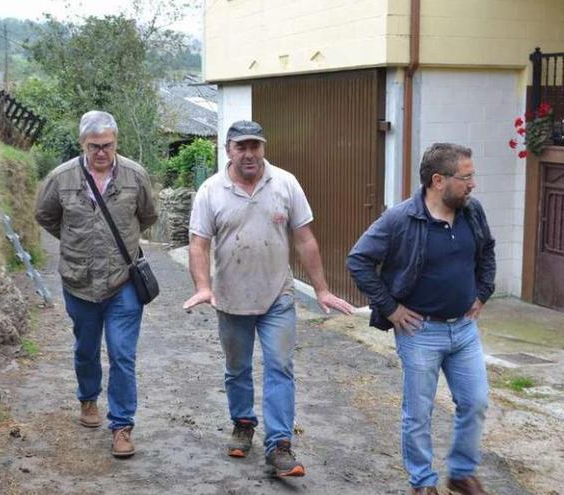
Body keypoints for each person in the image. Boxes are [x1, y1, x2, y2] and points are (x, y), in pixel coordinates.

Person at [184, 120, 354, 477]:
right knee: (238, 369)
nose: (249, 154)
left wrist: (321, 288)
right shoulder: (211, 191)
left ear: (263, 148)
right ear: (228, 150)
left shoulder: (285, 183)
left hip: (278, 294)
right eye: (241, 147)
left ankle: (279, 444)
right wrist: (203, 285)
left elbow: (305, 239)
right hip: (231, 298)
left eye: (255, 146)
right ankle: (243, 423)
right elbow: (199, 244)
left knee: (280, 366)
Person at [347, 143, 496, 495]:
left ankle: (460, 472)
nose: (473, 184)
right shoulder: (401, 218)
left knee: (475, 402)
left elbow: (487, 249)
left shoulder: (472, 213)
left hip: (463, 329)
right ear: (438, 180)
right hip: (420, 332)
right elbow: (358, 260)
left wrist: (483, 291)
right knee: (418, 413)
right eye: (467, 177)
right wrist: (390, 308)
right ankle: (422, 482)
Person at [35, 110, 157, 458]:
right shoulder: (61, 178)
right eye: (94, 146)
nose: (101, 152)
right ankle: (88, 398)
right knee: (86, 349)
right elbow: (45, 216)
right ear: (82, 144)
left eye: (107, 145)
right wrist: (77, 241)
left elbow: (148, 216)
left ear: (116, 143)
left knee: (122, 354)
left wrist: (118, 243)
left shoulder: (135, 176)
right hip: (79, 281)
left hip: (123, 283)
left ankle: (121, 425)